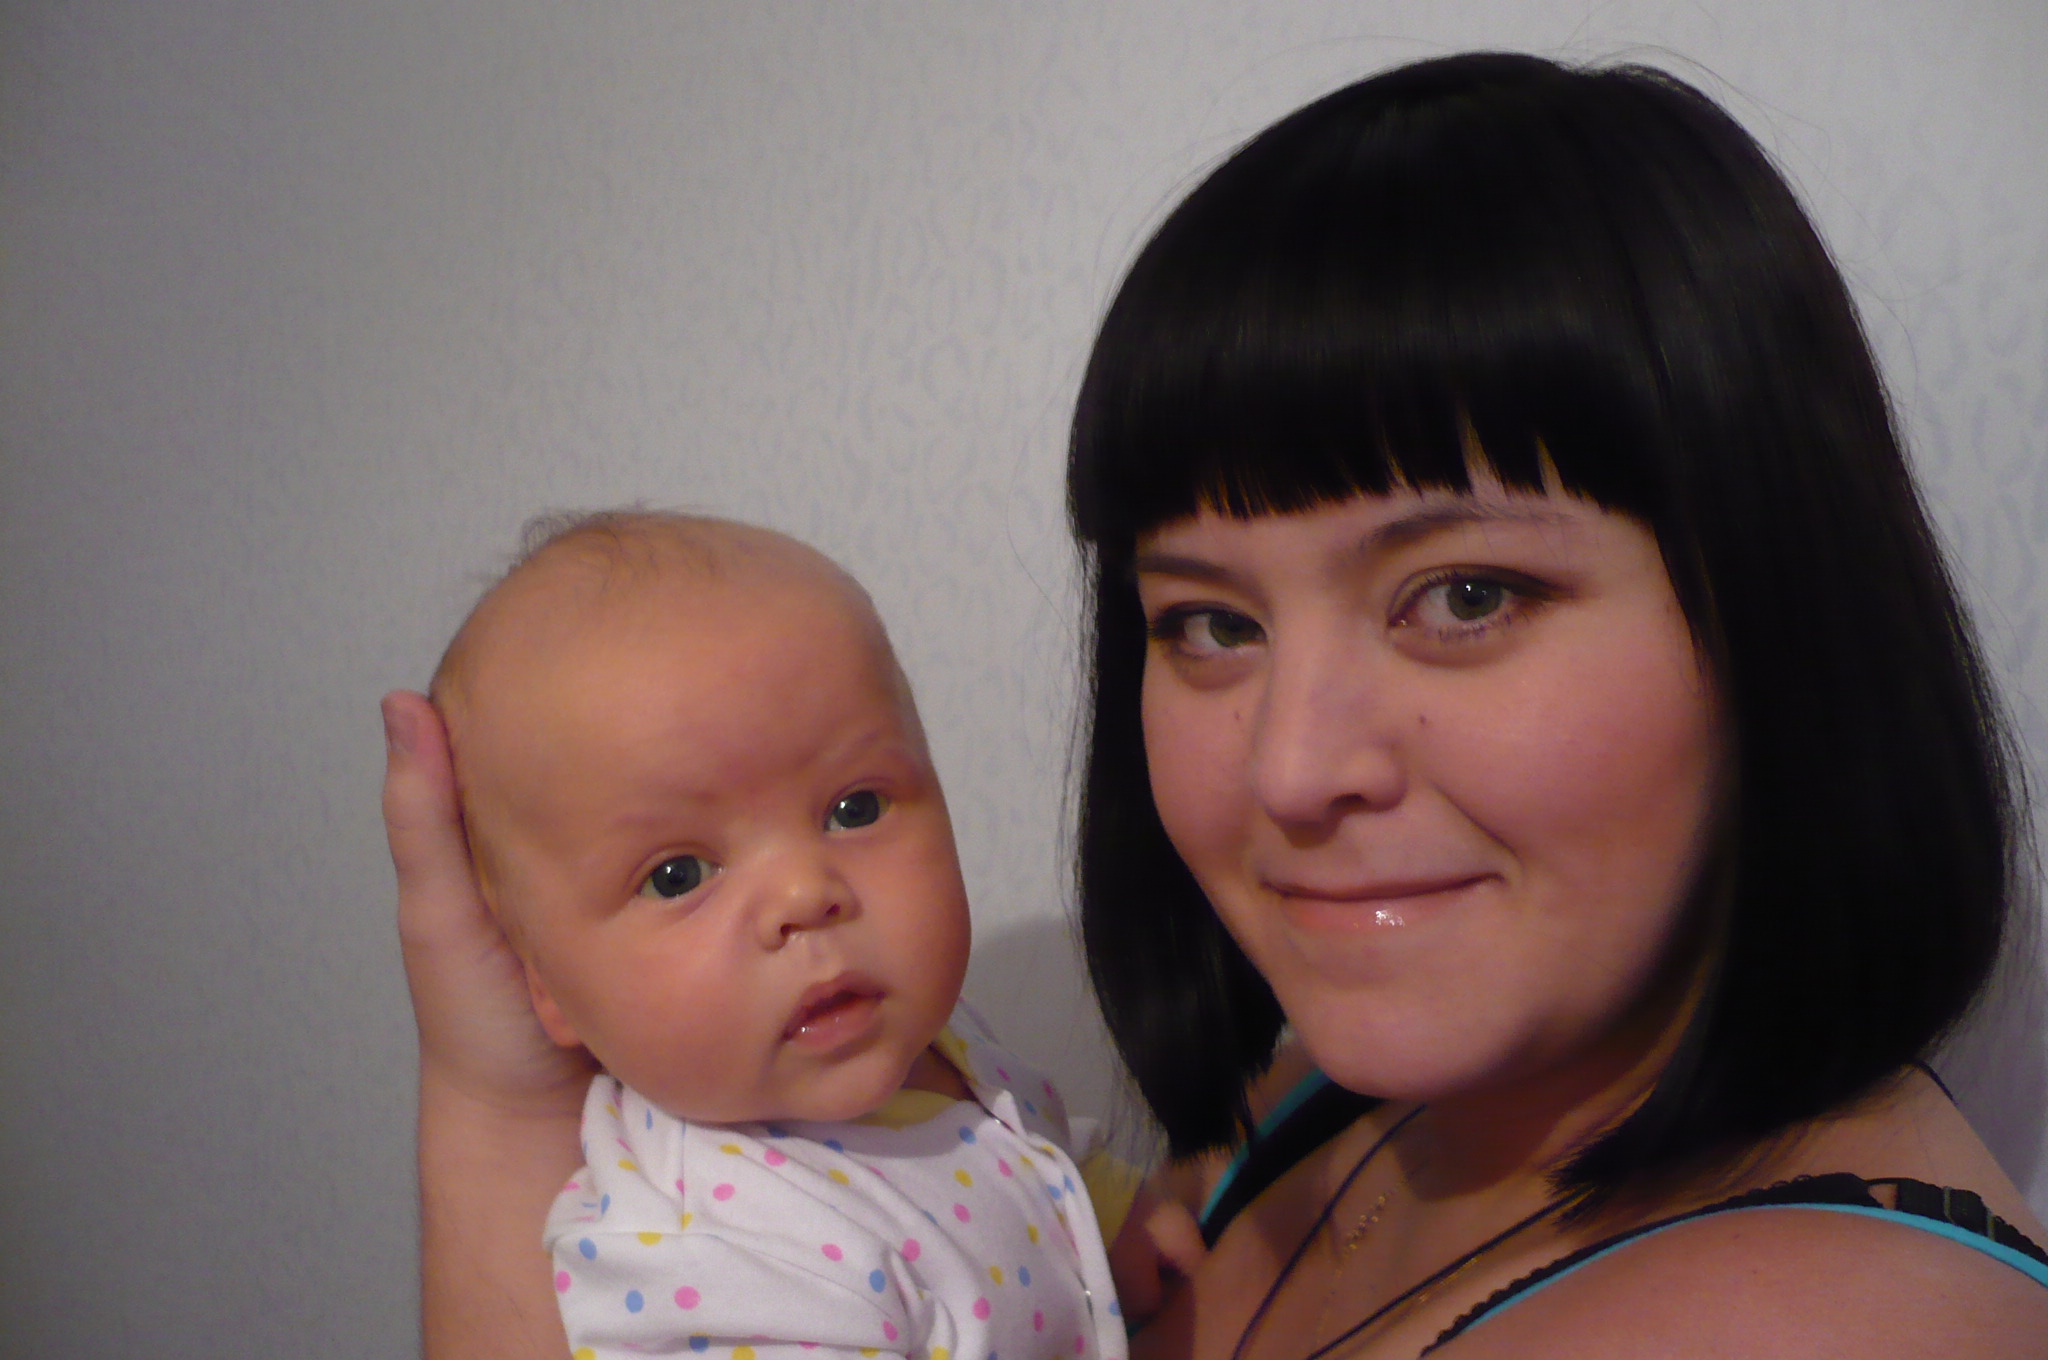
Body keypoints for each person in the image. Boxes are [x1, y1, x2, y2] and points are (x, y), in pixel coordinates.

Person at [382, 53, 2048, 1360]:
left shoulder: (1821, 1325)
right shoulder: (1349, 1094)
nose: (1292, 769)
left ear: (1775, 606)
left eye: (1464, 596)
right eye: (1209, 623)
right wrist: (503, 1086)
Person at [413, 511, 1131, 1360]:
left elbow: (1034, 1165)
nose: (803, 894)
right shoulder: (712, 1256)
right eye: (677, 875)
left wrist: (1120, 1228)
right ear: (545, 986)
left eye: (854, 808)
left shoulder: (940, 1044)